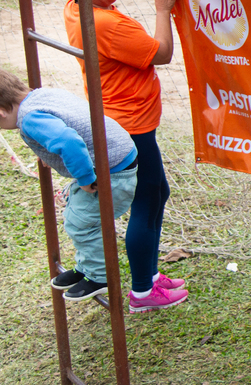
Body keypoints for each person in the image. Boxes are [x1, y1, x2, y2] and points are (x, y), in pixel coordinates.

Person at [52, 0, 187, 314]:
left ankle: (150, 275)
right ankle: (143, 291)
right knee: (147, 199)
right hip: (131, 127)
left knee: (158, 191)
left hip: (123, 119)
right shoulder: (107, 24)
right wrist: (163, 9)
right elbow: (161, 53)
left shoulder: (74, 6)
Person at [0, 71, 176, 308]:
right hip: (119, 156)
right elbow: (64, 125)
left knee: (81, 223)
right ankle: (86, 268)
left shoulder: (29, 118)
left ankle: (100, 276)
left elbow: (69, 141)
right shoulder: (39, 96)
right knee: (76, 213)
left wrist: (84, 178)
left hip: (110, 172)